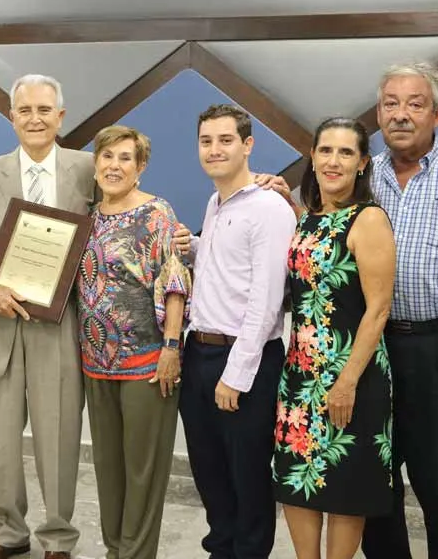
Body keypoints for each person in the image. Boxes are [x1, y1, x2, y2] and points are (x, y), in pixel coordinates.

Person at [258, 61, 438, 559]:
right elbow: (324, 245)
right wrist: (286, 204)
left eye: (414, 104)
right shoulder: (363, 183)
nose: (400, 114)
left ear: (437, 112)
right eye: (390, 104)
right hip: (375, 349)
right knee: (375, 489)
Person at [0, 74, 191, 559]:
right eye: (24, 110)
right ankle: (9, 529)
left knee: (58, 439)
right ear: (11, 116)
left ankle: (58, 536)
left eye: (44, 110)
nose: (34, 118)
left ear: (61, 116)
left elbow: (136, 209)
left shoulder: (89, 167)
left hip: (62, 329)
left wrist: (184, 235)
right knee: (1, 442)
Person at [274, 117, 395, 559]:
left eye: (346, 153)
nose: (333, 160)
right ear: (313, 156)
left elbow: (378, 309)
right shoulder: (308, 218)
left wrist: (345, 382)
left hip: (351, 376)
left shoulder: (368, 219)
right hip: (300, 374)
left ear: (362, 163)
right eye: (326, 150)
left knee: (345, 486)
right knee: (295, 480)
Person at [179, 104, 296, 559]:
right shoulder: (216, 203)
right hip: (200, 352)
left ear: (247, 145)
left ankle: (247, 552)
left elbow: (267, 300)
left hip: (243, 360)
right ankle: (221, 549)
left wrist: (237, 374)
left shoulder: (269, 207)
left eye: (226, 140)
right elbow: (227, 264)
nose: (215, 150)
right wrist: (193, 246)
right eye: (206, 141)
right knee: (209, 469)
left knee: (246, 475)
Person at [76, 125, 190, 559]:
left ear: (140, 167)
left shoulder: (156, 214)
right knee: (108, 469)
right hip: (94, 364)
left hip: (147, 363)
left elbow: (174, 281)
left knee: (142, 471)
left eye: (125, 158)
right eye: (107, 157)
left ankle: (136, 554)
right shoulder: (87, 216)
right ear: (95, 163)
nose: (114, 166)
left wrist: (172, 347)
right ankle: (114, 550)